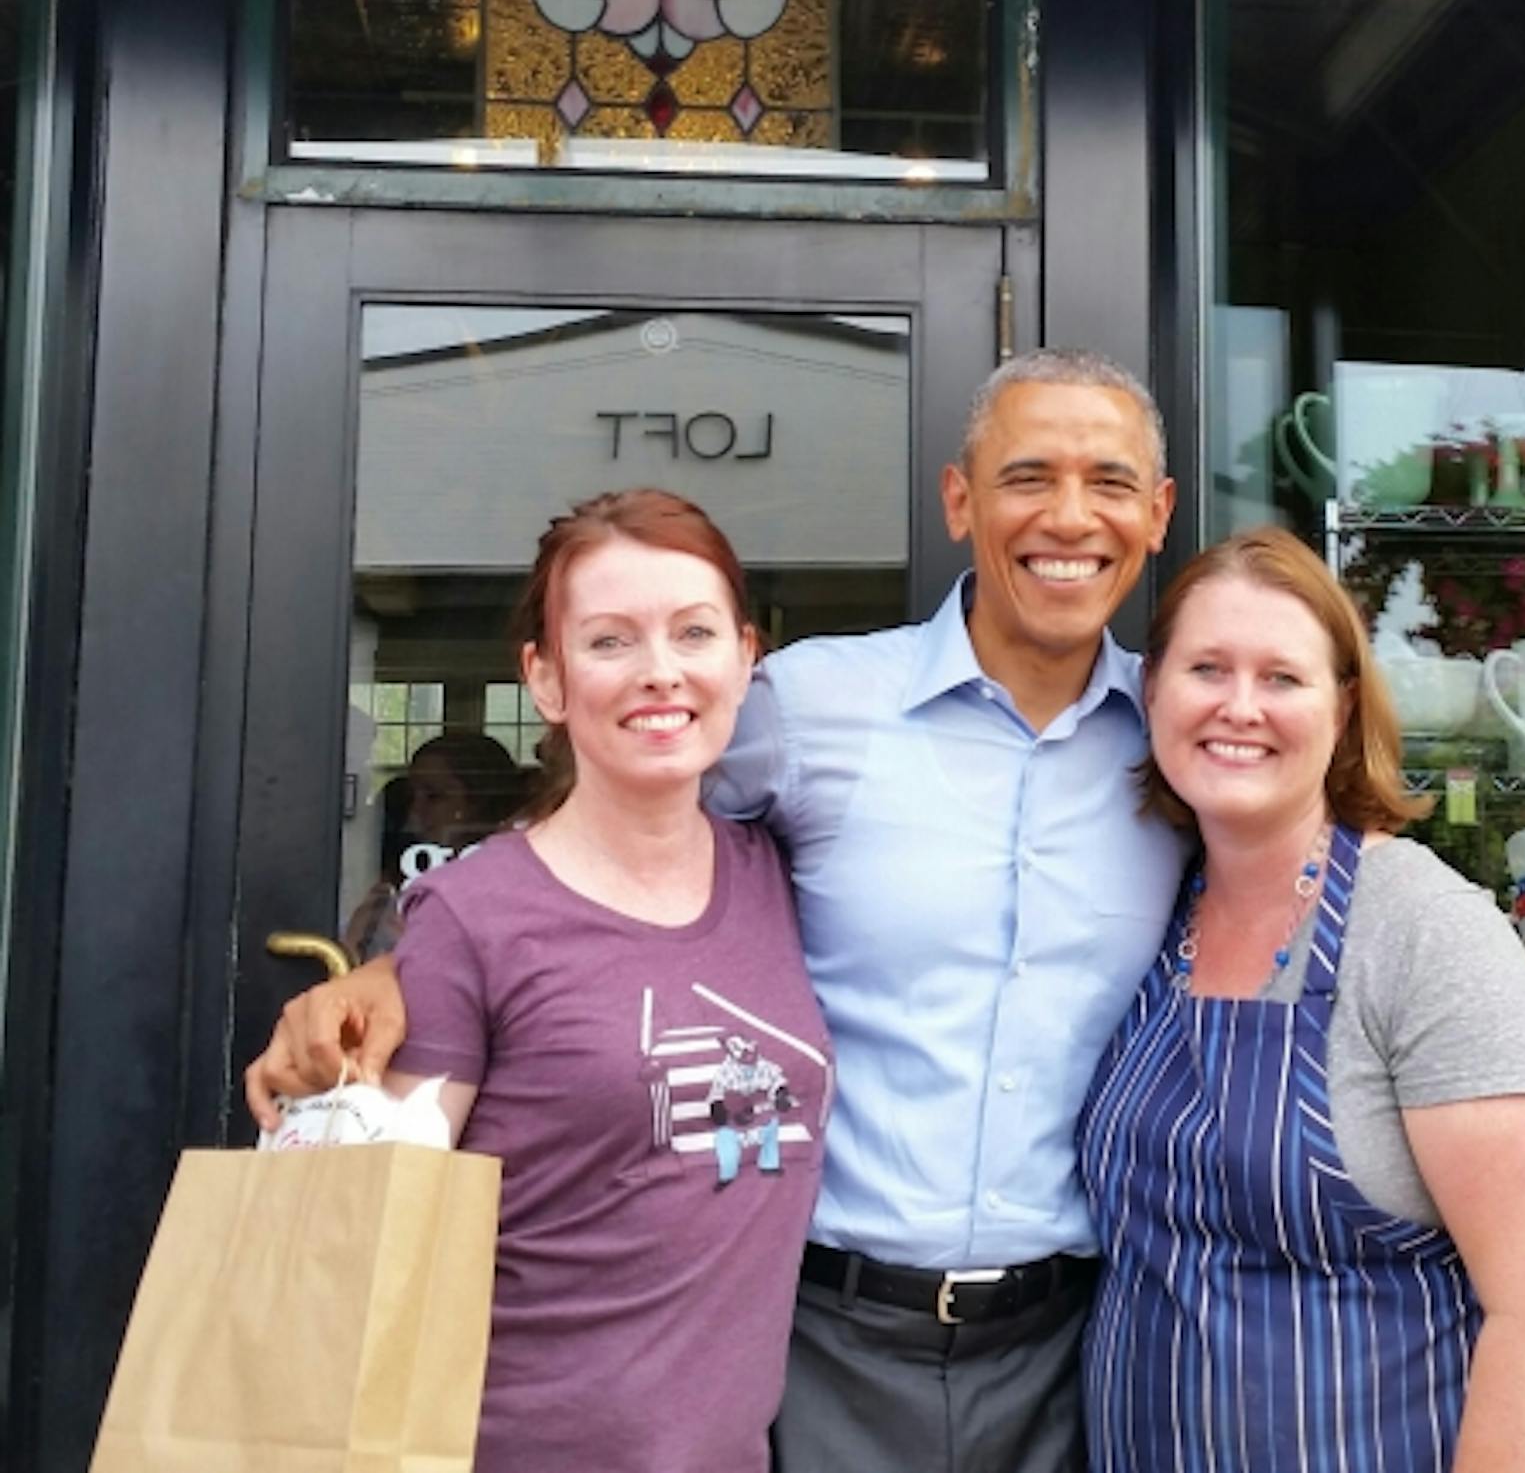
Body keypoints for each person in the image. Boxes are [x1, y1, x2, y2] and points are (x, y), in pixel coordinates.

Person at [250, 351, 1182, 1473]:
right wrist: (406, 966)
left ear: (1160, 512)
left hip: (1071, 1348)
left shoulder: (1182, 747)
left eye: (1112, 481)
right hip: (819, 1340)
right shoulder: (812, 709)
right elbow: (617, 824)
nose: (1070, 516)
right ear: (958, 500)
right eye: (1028, 474)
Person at [1079, 528, 1525, 1473]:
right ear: (1151, 690)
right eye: (1207, 668)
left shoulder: (1420, 927)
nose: (1241, 707)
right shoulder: (1153, 907)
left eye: (1283, 677)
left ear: (1344, 706)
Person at [375, 488, 831, 1472]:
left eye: (694, 632)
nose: (660, 672)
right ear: (546, 678)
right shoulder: (471, 915)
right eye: (611, 640)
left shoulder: (782, 876)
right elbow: (380, 1238)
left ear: (747, 658)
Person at [341, 731, 525, 963]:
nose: (415, 810)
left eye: (434, 796)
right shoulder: (395, 881)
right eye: (412, 796)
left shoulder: (514, 879)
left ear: (478, 801)